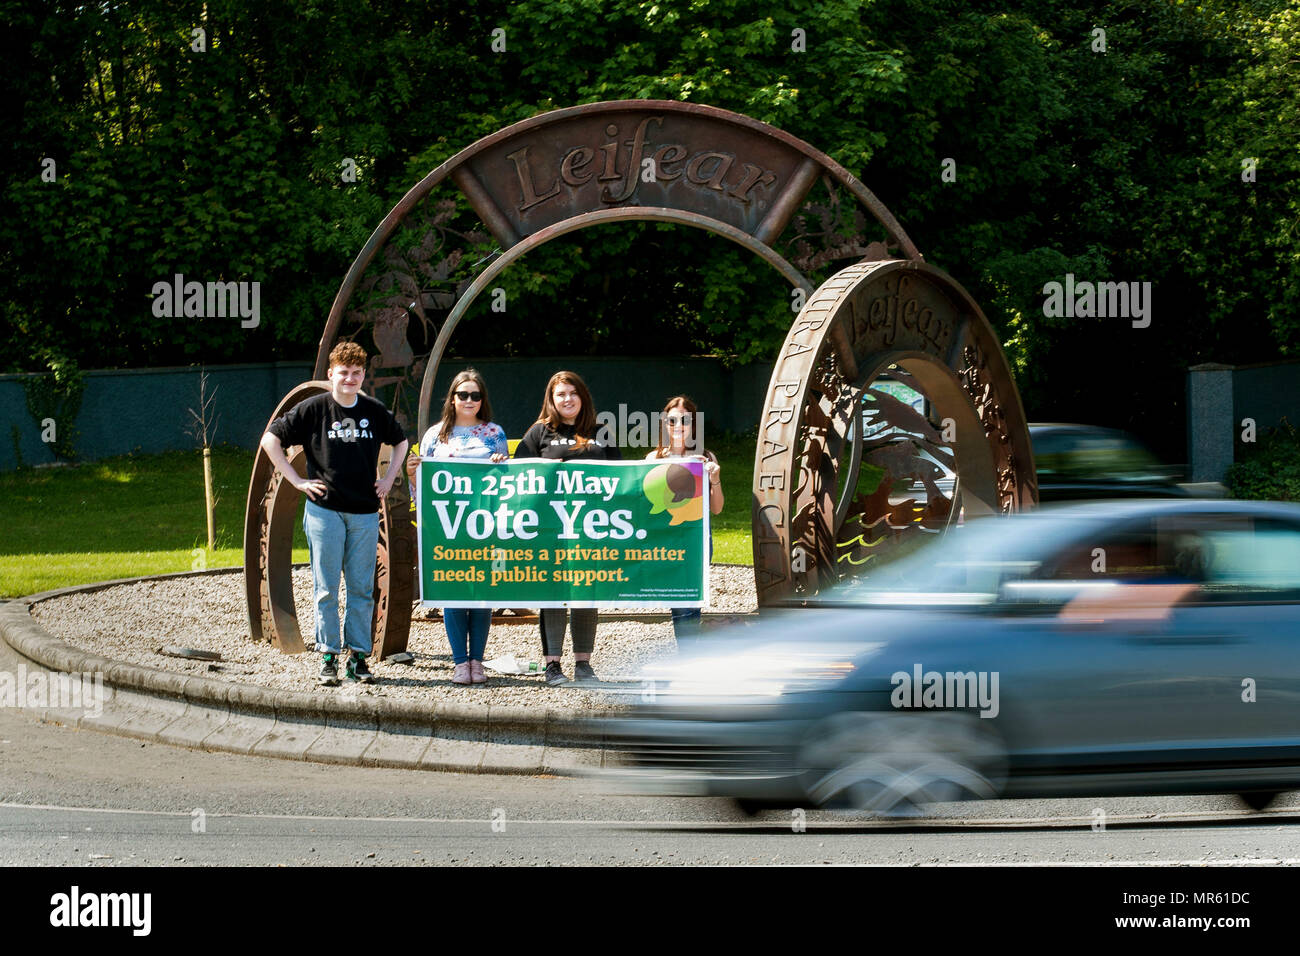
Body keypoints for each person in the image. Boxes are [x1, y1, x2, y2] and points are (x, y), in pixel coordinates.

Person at [260, 342, 408, 686]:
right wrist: (295, 479)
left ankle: (357, 658)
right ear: (331, 374)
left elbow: (400, 441)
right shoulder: (314, 409)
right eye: (344, 372)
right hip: (325, 511)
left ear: (363, 375)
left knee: (360, 588)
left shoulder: (373, 410)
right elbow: (271, 439)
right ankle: (328, 655)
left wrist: (388, 478)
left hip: (364, 512)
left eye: (357, 373)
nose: (350, 379)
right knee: (326, 588)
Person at [514, 371, 620, 685]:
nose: (567, 399)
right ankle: (552, 666)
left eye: (573, 392)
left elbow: (623, 476)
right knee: (555, 591)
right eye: (560, 394)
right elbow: (518, 477)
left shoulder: (601, 433)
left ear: (582, 396)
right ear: (552, 399)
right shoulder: (538, 433)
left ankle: (584, 665)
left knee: (586, 591)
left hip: (591, 527)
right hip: (550, 528)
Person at [405, 369, 508, 685]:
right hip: (447, 528)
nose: (469, 400)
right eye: (462, 394)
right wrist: (412, 474)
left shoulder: (494, 433)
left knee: (482, 594)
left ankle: (478, 661)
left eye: (475, 395)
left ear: (482, 400)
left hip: (485, 525)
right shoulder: (435, 436)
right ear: (452, 398)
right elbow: (423, 488)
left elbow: (507, 482)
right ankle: (460, 662)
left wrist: (501, 466)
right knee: (453, 592)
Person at [645, 396, 723, 646]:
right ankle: (689, 653)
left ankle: (688, 653)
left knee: (689, 598)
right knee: (679, 598)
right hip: (665, 539)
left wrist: (715, 479)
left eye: (685, 420)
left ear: (693, 424)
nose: (678, 425)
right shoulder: (653, 459)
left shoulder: (705, 458)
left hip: (696, 538)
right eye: (672, 420)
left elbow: (718, 508)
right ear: (664, 424)